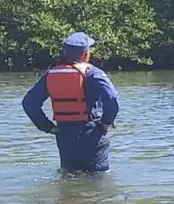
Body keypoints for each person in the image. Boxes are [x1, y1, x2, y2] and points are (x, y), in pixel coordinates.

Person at [21, 32, 120, 173]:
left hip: (65, 134)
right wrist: (106, 122)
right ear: (86, 54)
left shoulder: (50, 74)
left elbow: (29, 104)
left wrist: (48, 127)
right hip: (91, 132)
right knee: (97, 179)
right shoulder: (93, 73)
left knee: (69, 175)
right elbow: (112, 98)